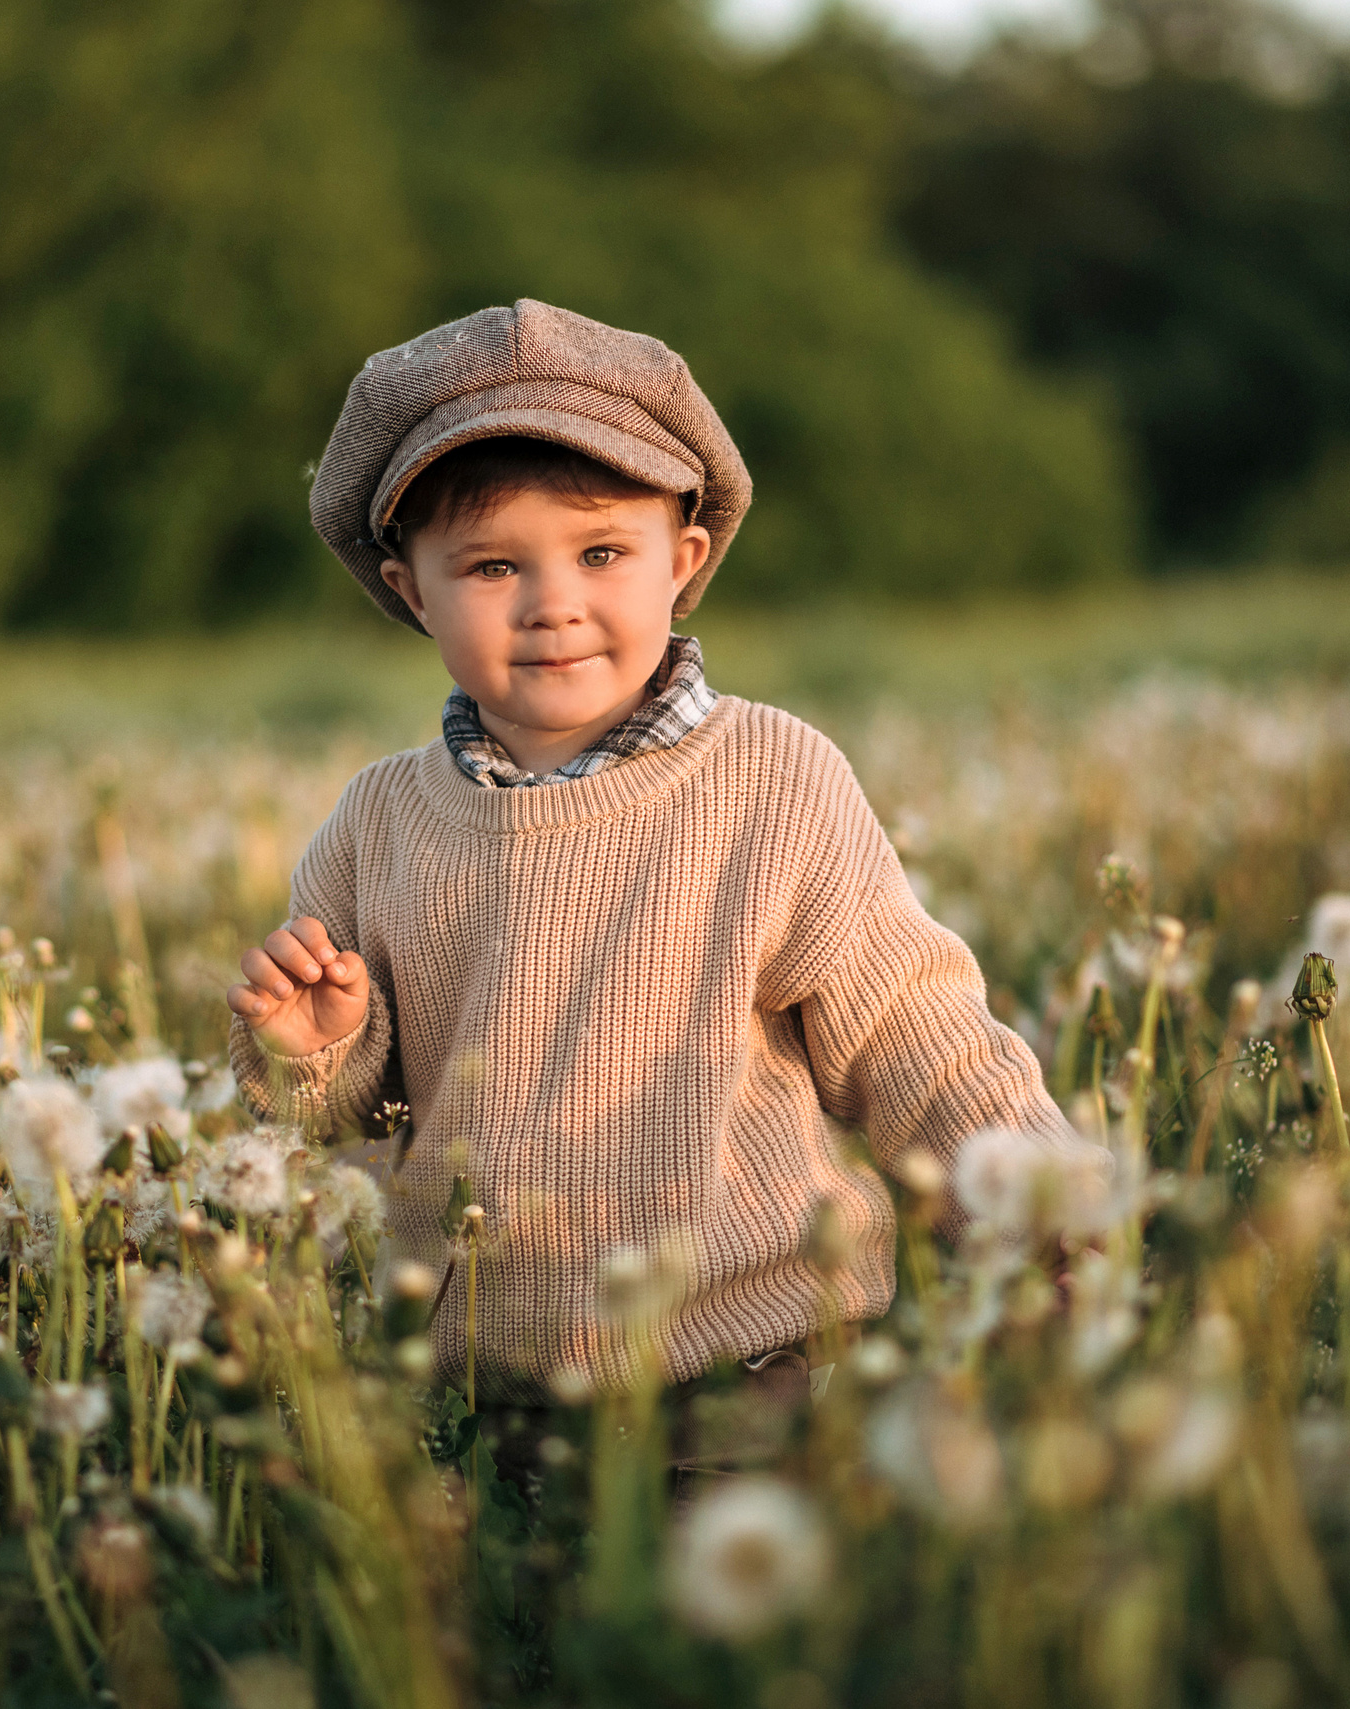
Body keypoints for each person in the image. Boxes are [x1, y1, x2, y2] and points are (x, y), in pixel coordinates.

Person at [227, 298, 1102, 1437]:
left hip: (745, 1372)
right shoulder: (380, 819)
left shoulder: (772, 778)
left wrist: (1045, 1216)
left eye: (601, 552)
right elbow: (354, 1106)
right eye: (492, 566)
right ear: (411, 590)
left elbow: (908, 1033)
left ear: (681, 561)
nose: (554, 604)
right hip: (480, 1390)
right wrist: (312, 1047)